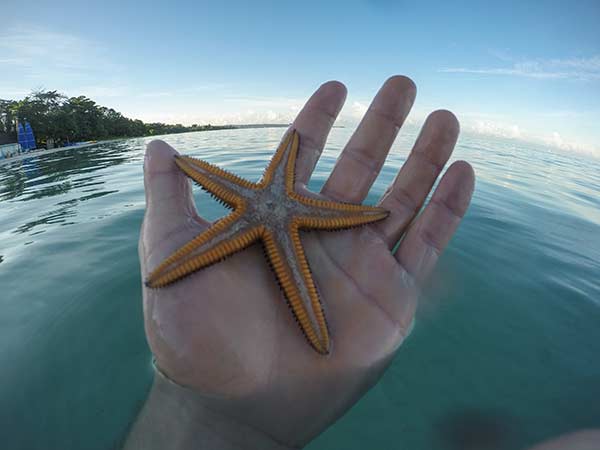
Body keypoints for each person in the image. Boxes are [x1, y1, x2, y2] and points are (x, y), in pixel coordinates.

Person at [124, 76, 598, 450]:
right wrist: (216, 417)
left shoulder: (276, 204)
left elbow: (308, 197)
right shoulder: (271, 207)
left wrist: (212, 421)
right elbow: (208, 173)